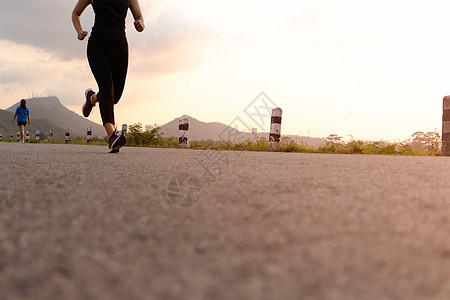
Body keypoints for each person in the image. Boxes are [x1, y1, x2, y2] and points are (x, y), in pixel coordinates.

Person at [72, 0, 145, 153]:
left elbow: (139, 16)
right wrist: (79, 31)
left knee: (114, 97)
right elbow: (75, 14)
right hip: (97, 46)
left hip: (119, 48)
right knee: (106, 89)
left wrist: (140, 24)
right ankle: (112, 135)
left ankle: (92, 98)